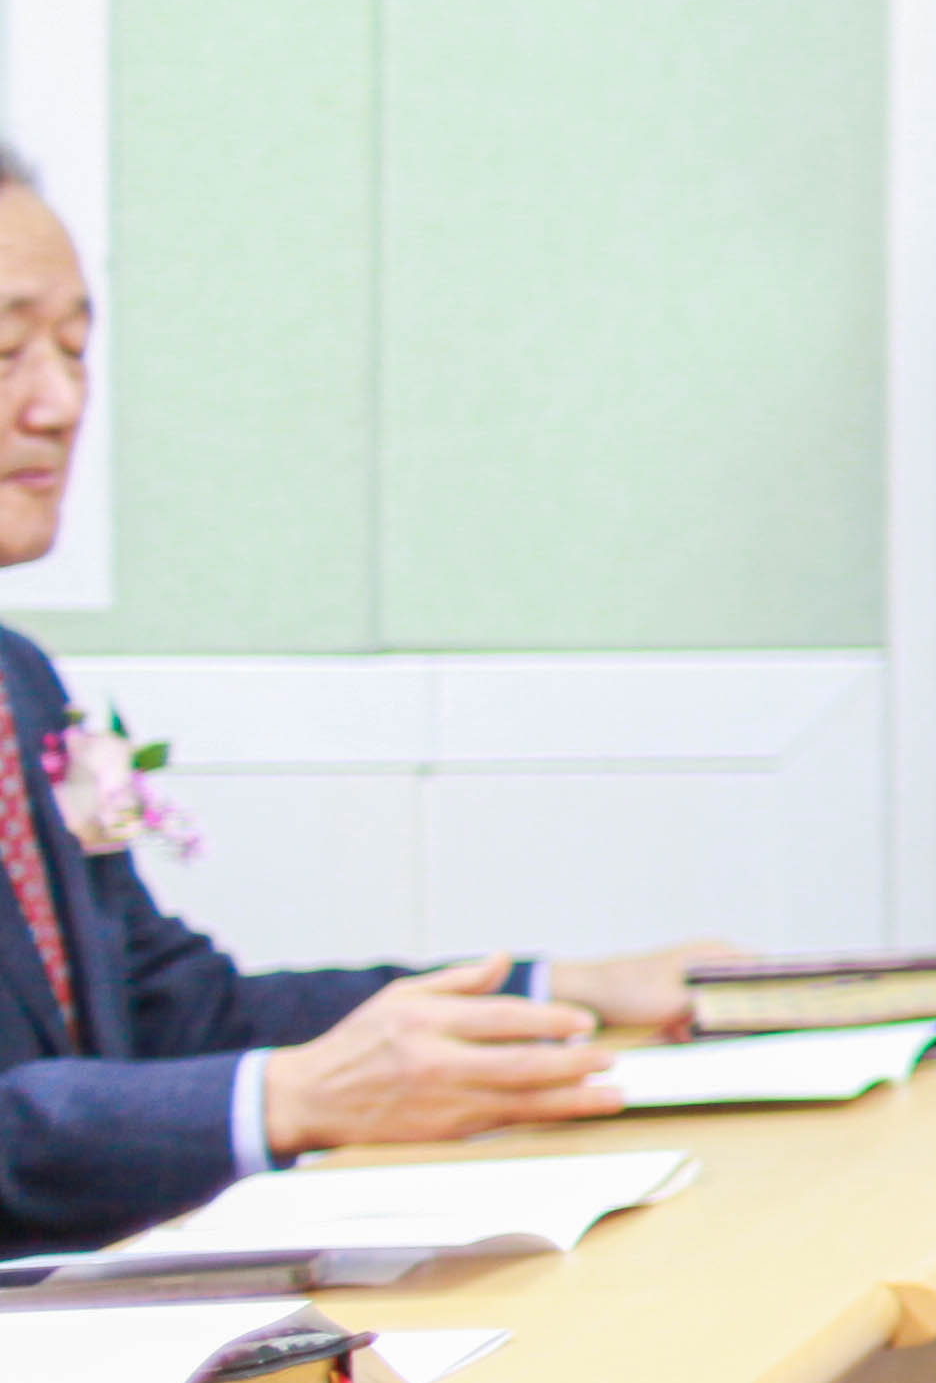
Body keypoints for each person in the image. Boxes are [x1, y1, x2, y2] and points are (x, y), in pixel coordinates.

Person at [0, 147, 731, 1252]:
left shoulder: (22, 683)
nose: (59, 404)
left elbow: (170, 1012)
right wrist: (285, 1101)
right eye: (7, 349)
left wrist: (555, 993)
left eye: (74, 348)